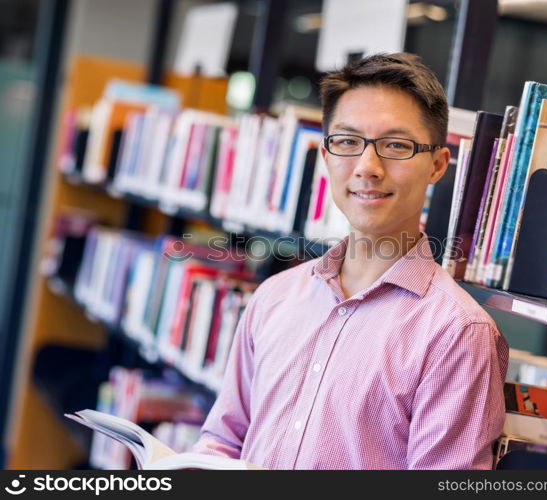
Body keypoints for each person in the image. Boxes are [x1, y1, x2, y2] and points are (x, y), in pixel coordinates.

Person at [192, 52, 509, 469]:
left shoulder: (457, 333)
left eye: (396, 145)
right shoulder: (275, 297)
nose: (367, 167)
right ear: (325, 155)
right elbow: (224, 440)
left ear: (436, 165)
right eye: (347, 141)